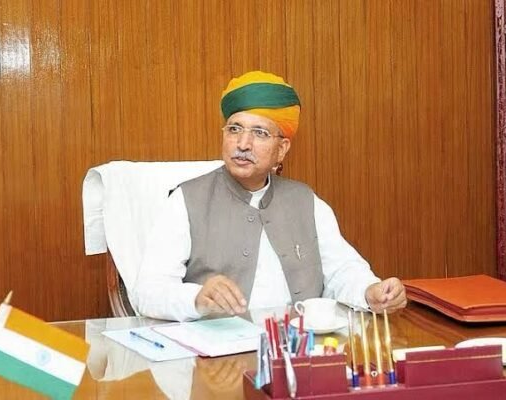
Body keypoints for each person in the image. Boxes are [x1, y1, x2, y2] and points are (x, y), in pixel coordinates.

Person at [133, 71, 407, 322]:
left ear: (282, 149)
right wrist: (196, 298)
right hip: (219, 353)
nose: (243, 144)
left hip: (300, 346)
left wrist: (370, 292)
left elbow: (341, 270)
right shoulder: (186, 200)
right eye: (234, 129)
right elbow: (147, 291)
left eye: (260, 133)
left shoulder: (306, 202)